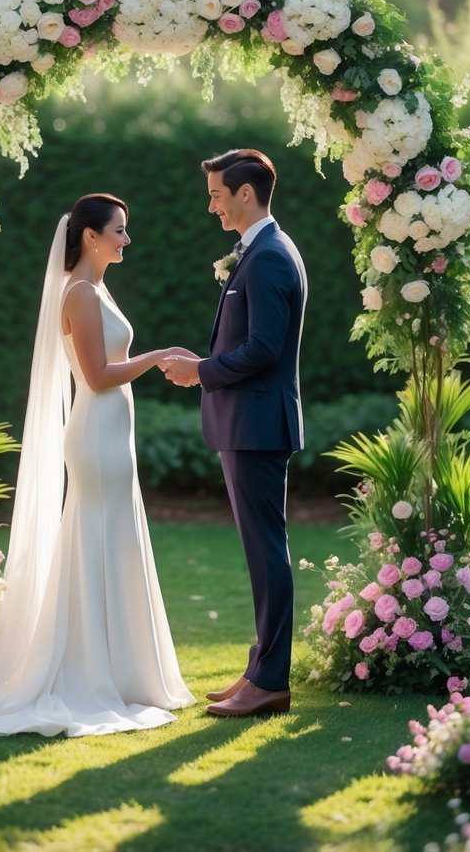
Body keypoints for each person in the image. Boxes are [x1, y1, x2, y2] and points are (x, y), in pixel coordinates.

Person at [0, 193, 195, 737]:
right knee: (99, 538)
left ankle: (120, 669)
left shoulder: (96, 288)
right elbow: (98, 375)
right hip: (96, 432)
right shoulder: (81, 293)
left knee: (116, 538)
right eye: (119, 231)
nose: (125, 239)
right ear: (90, 236)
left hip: (112, 432)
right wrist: (158, 356)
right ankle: (89, 670)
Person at [162, 149, 307, 718]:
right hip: (247, 423)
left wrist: (201, 370)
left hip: (257, 425)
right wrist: (205, 364)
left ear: (246, 194)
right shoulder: (260, 251)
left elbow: (265, 349)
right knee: (260, 553)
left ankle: (270, 681)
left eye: (217, 194)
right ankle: (259, 668)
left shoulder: (270, 256)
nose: (212, 205)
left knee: (268, 554)